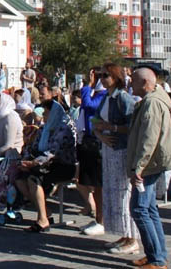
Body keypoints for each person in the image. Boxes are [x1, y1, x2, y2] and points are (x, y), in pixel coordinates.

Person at [126, 67, 171, 269]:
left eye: (133, 81)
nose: (130, 84)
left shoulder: (151, 103)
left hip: (150, 163)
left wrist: (138, 167)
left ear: (145, 83)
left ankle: (157, 259)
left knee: (139, 209)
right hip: (154, 161)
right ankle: (156, 255)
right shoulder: (154, 99)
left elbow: (149, 139)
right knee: (148, 209)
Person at [91, 63, 139, 253]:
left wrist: (112, 128)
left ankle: (133, 238)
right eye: (100, 75)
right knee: (114, 194)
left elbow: (133, 125)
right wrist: (101, 134)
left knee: (124, 194)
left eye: (106, 75)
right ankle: (124, 234)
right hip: (108, 150)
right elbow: (95, 120)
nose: (102, 79)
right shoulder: (106, 98)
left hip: (121, 150)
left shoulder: (123, 99)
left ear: (115, 77)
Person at [15, 100, 77, 233]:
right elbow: (33, 148)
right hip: (43, 164)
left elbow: (52, 153)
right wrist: (26, 161)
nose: (43, 115)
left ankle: (42, 219)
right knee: (19, 179)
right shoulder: (44, 129)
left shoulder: (63, 129)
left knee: (34, 179)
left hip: (62, 165)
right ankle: (45, 211)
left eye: (46, 112)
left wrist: (33, 164)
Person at [76, 67, 108, 226]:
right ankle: (95, 215)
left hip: (97, 142)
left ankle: (101, 219)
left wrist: (88, 84)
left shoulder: (103, 96)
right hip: (87, 139)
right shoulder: (95, 94)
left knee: (98, 183)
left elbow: (88, 105)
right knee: (88, 181)